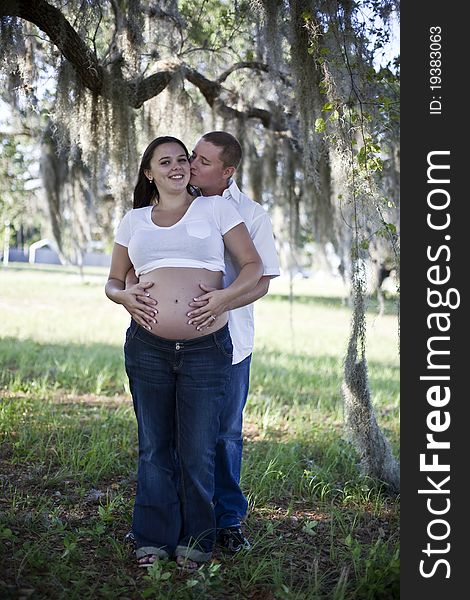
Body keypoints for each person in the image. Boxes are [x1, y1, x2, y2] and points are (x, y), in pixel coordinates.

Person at [105, 136, 263, 569]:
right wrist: (124, 297)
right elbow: (113, 281)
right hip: (148, 347)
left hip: (205, 348)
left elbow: (253, 266)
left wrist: (223, 298)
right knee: (154, 447)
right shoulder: (134, 220)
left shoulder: (216, 209)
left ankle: (197, 539)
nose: (178, 166)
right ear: (148, 172)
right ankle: (153, 538)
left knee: (198, 449)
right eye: (166, 161)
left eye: (182, 159)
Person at [187, 132, 280, 553]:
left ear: (228, 171)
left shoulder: (252, 214)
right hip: (175, 339)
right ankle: (178, 515)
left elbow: (261, 280)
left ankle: (228, 521)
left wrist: (222, 302)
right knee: (178, 431)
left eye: (204, 161)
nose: (191, 165)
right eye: (193, 156)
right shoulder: (175, 201)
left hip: (230, 341)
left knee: (225, 434)